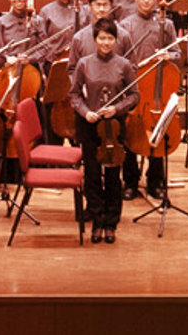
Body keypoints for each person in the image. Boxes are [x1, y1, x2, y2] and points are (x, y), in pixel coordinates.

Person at [70, 17, 137, 244]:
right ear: (95, 39)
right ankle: (97, 220)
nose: (106, 42)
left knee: (112, 176)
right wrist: (85, 111)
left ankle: (111, 222)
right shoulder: (84, 64)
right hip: (90, 125)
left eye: (110, 38)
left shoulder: (124, 65)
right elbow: (74, 94)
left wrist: (117, 108)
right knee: (92, 175)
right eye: (102, 38)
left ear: (116, 40)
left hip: (114, 127)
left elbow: (134, 96)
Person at [116, 0, 178, 201]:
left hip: (157, 89)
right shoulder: (125, 25)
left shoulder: (166, 24)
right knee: (131, 133)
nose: (146, 0)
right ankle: (130, 181)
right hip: (133, 86)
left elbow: (179, 55)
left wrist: (168, 55)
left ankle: (156, 180)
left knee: (158, 131)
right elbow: (118, 57)